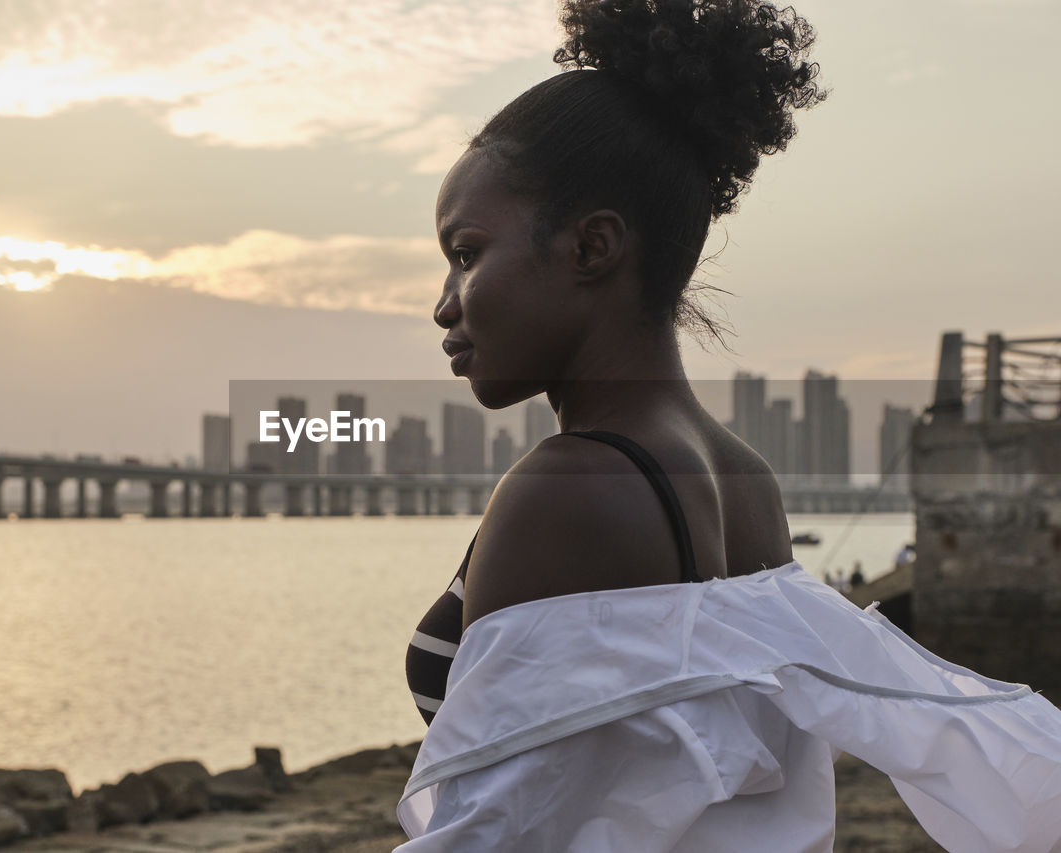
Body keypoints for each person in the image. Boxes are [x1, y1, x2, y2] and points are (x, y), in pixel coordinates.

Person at [399, 1, 1061, 850]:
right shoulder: (745, 478)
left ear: (592, 247)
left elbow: (489, 832)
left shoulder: (572, 491)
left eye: (466, 252)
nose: (444, 304)